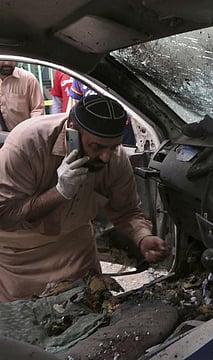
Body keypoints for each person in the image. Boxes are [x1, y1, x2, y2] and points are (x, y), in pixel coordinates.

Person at [0, 94, 169, 302]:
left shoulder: (114, 159)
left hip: (76, 250)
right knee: (29, 325)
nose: (106, 157)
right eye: (97, 147)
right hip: (20, 258)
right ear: (72, 130)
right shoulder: (27, 143)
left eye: (113, 147)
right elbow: (5, 215)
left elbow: (127, 211)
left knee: (88, 311)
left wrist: (142, 237)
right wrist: (59, 193)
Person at [67, 78, 136, 146]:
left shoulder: (122, 75)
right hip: (90, 130)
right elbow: (74, 105)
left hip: (120, 129)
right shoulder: (83, 75)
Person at [0, 61, 44, 131]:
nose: (7, 63)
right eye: (3, 59)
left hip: (21, 138)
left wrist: (29, 132)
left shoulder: (29, 79)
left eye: (11, 59)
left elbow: (37, 110)